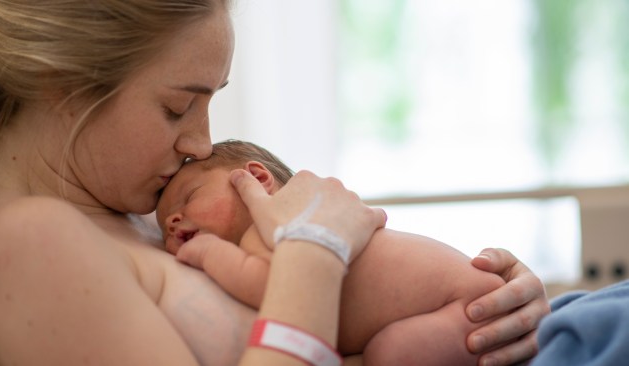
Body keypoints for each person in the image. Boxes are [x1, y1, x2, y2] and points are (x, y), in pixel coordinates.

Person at [0, 1, 549, 365]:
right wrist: (314, 254)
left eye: (210, 102)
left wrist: (493, 306)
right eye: (177, 108)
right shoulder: (26, 248)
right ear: (66, 85)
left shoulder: (143, 211)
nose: (200, 144)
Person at [155, 139, 509, 365]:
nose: (172, 220)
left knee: (392, 354)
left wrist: (209, 253)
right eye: (162, 226)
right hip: (465, 301)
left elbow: (276, 287)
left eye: (189, 198)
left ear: (257, 179)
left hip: (467, 305)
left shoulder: (278, 223)